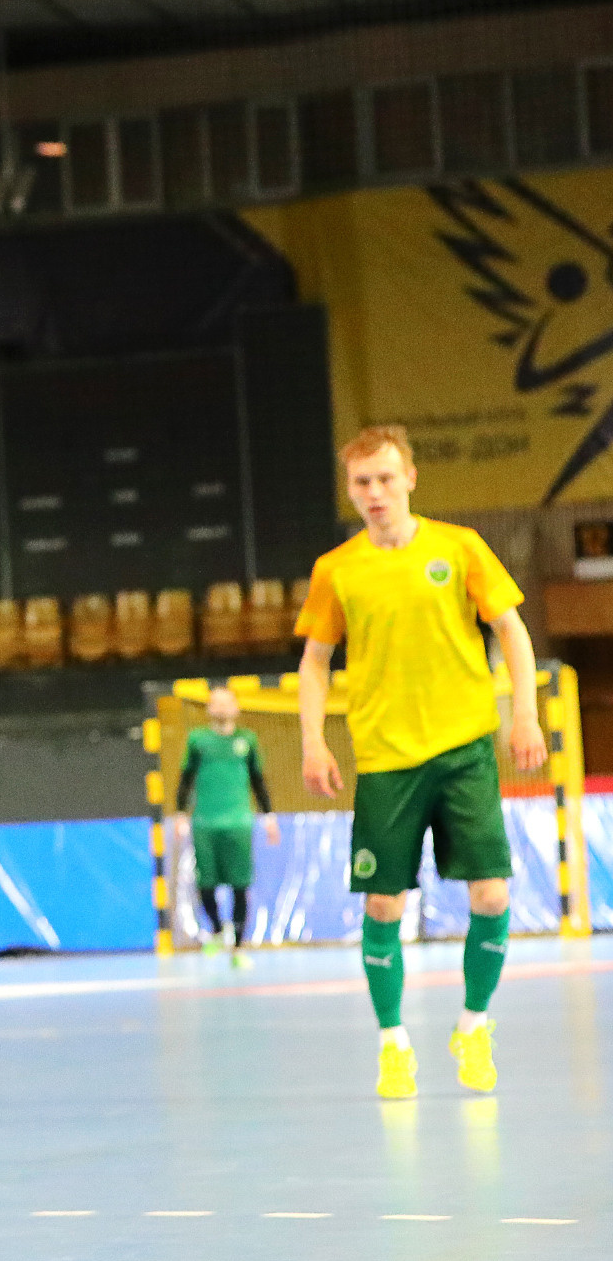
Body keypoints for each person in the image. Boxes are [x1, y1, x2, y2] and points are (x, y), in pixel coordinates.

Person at [295, 426, 545, 1100]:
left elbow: (511, 629)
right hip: (385, 758)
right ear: (350, 491)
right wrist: (313, 739)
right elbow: (315, 661)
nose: (373, 493)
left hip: (465, 748)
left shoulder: (459, 547)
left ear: (410, 477)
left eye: (384, 478)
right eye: (360, 483)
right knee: (383, 901)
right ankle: (393, 1043)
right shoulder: (337, 569)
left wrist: (523, 712)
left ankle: (473, 1024)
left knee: (492, 894)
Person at [170, 684, 281, 971]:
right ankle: (219, 930)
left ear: (236, 707)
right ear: (208, 708)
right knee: (205, 884)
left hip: (239, 823)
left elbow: (259, 780)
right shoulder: (198, 741)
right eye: (215, 702)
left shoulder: (247, 740)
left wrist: (269, 817)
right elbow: (185, 780)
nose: (220, 708)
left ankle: (238, 948)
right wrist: (181, 814)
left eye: (225, 702)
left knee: (240, 885)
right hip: (205, 823)